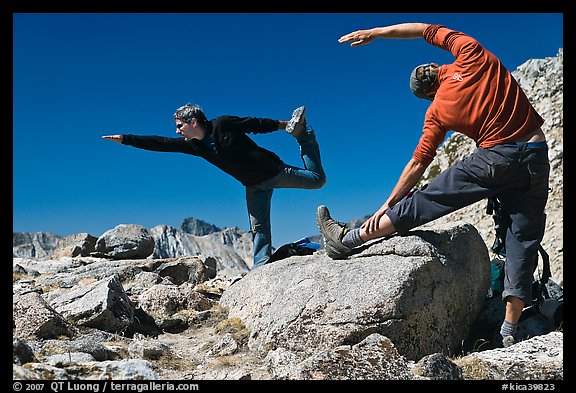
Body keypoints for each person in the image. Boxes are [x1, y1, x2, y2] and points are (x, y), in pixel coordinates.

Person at [317, 23, 549, 348]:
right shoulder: (471, 53)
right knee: (522, 240)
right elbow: (420, 28)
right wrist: (377, 33)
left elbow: (417, 164)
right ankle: (509, 332)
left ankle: (349, 238)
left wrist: (388, 203)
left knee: (429, 199)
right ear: (436, 67)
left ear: (427, 92)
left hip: (496, 157)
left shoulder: (438, 110)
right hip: (537, 154)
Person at [103, 104, 326, 270]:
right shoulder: (194, 146)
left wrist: (287, 125)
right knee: (259, 228)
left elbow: (256, 124)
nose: (177, 131)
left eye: (179, 126)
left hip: (275, 172)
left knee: (317, 180)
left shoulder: (223, 124)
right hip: (253, 186)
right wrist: (126, 139)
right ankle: (261, 269)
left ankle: (304, 136)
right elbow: (161, 143)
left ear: (193, 122)